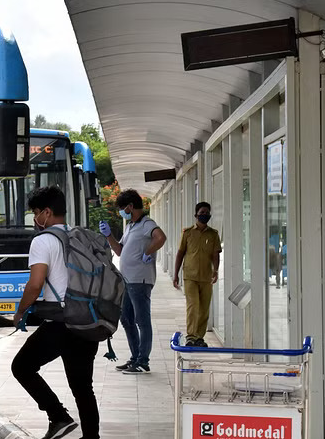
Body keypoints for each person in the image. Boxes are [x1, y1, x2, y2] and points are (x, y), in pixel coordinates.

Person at [12, 185, 99, 439]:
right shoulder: (81, 235)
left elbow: (36, 283)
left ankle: (58, 416)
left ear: (47, 212)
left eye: (36, 212)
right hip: (88, 320)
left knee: (22, 367)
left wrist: (21, 311)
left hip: (61, 323)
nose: (35, 218)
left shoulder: (43, 241)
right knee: (83, 387)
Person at [99, 189, 166, 375]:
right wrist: (108, 235)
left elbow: (161, 238)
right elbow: (119, 251)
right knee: (126, 319)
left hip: (140, 280)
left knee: (142, 321)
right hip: (127, 280)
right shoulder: (131, 226)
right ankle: (135, 357)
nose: (121, 211)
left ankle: (143, 361)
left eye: (122, 208)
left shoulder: (147, 223)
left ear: (130, 206)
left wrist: (147, 252)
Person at [172, 202, 221, 347]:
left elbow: (215, 254)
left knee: (204, 308)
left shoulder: (214, 234)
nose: (204, 215)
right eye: (202, 212)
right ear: (196, 215)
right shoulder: (187, 233)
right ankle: (191, 336)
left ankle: (200, 337)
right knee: (193, 306)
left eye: (207, 213)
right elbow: (180, 253)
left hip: (206, 276)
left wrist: (216, 270)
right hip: (190, 276)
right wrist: (176, 274)